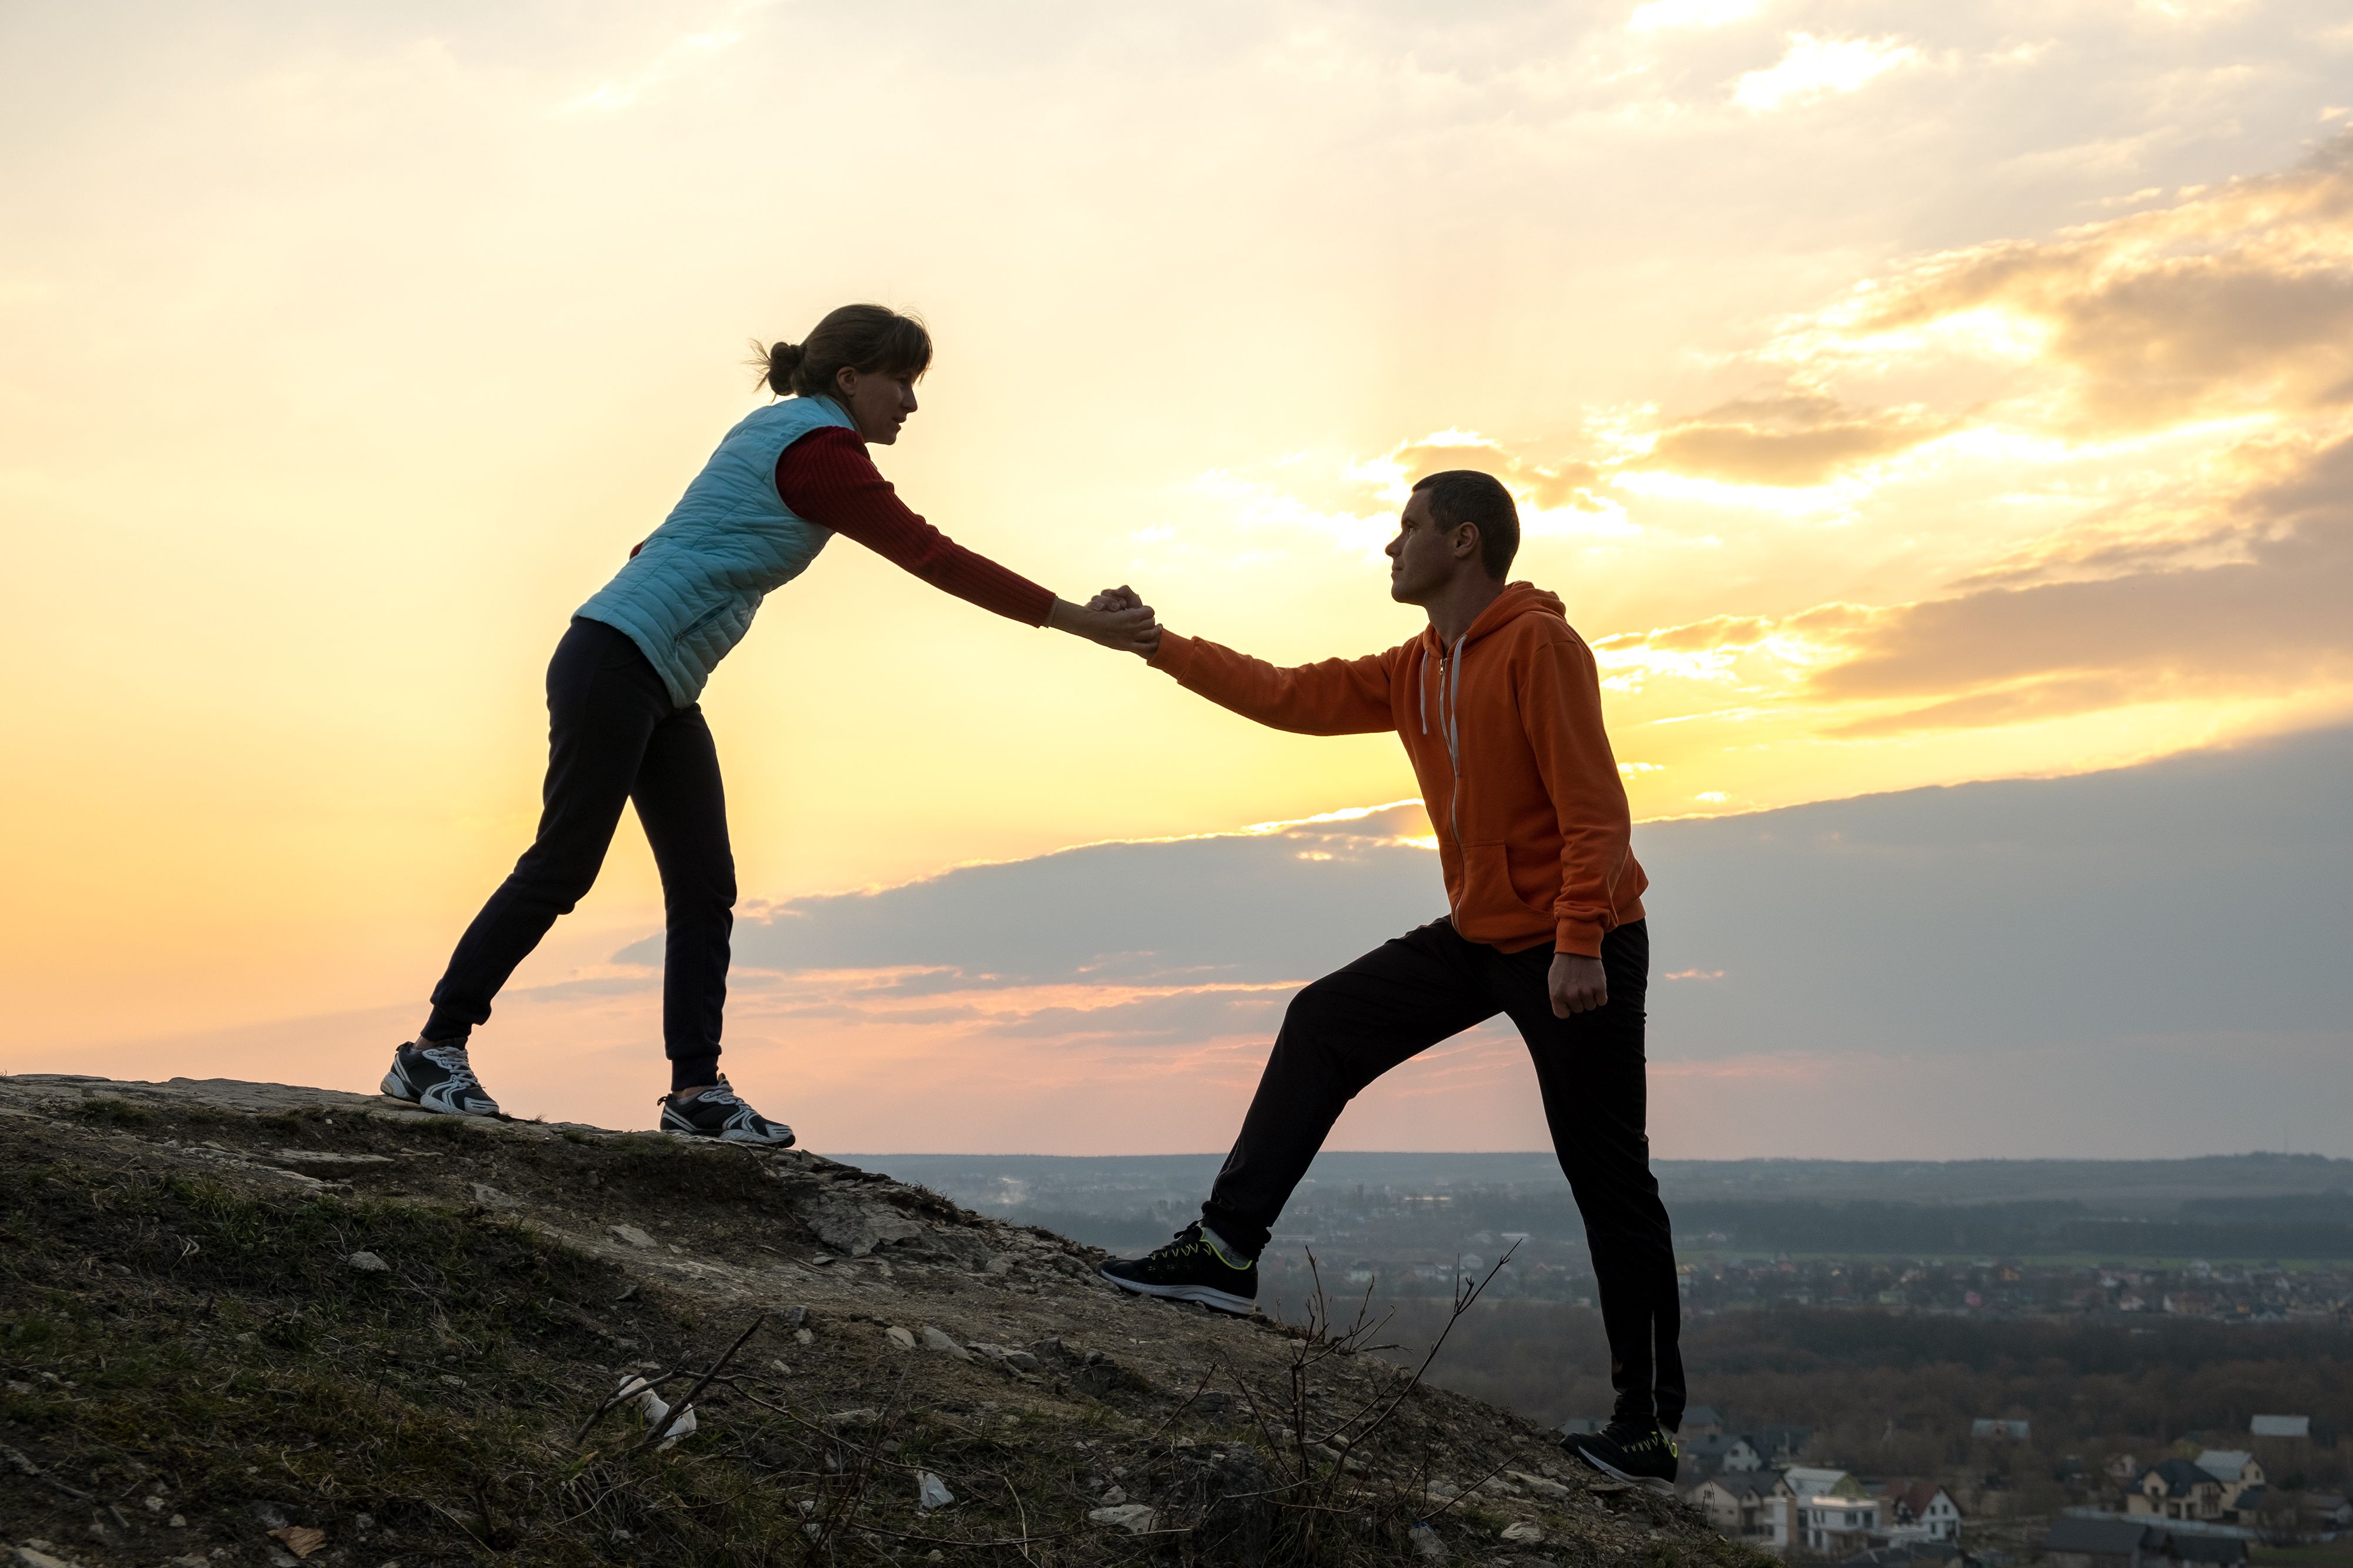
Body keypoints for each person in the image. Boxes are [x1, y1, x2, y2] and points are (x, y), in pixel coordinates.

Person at [382, 305, 1158, 1143]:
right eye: (902, 381)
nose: (913, 403)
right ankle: (434, 1048)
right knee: (565, 863)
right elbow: (932, 555)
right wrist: (1080, 620)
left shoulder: (774, 430)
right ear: (850, 378)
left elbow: (666, 544)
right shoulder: (821, 450)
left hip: (651, 674)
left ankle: (696, 1093)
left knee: (705, 885)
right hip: (619, 661)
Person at [1089, 471, 1683, 1488]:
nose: (1388, 545)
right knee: (1326, 1019)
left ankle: (1649, 1429)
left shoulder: (1539, 646)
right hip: (1484, 935)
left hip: (1577, 945)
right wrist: (1158, 645)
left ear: (1462, 540)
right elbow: (1287, 694)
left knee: (1608, 1178)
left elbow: (1596, 807)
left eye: (1405, 527)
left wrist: (1580, 938)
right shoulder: (1417, 666)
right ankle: (1226, 1251)